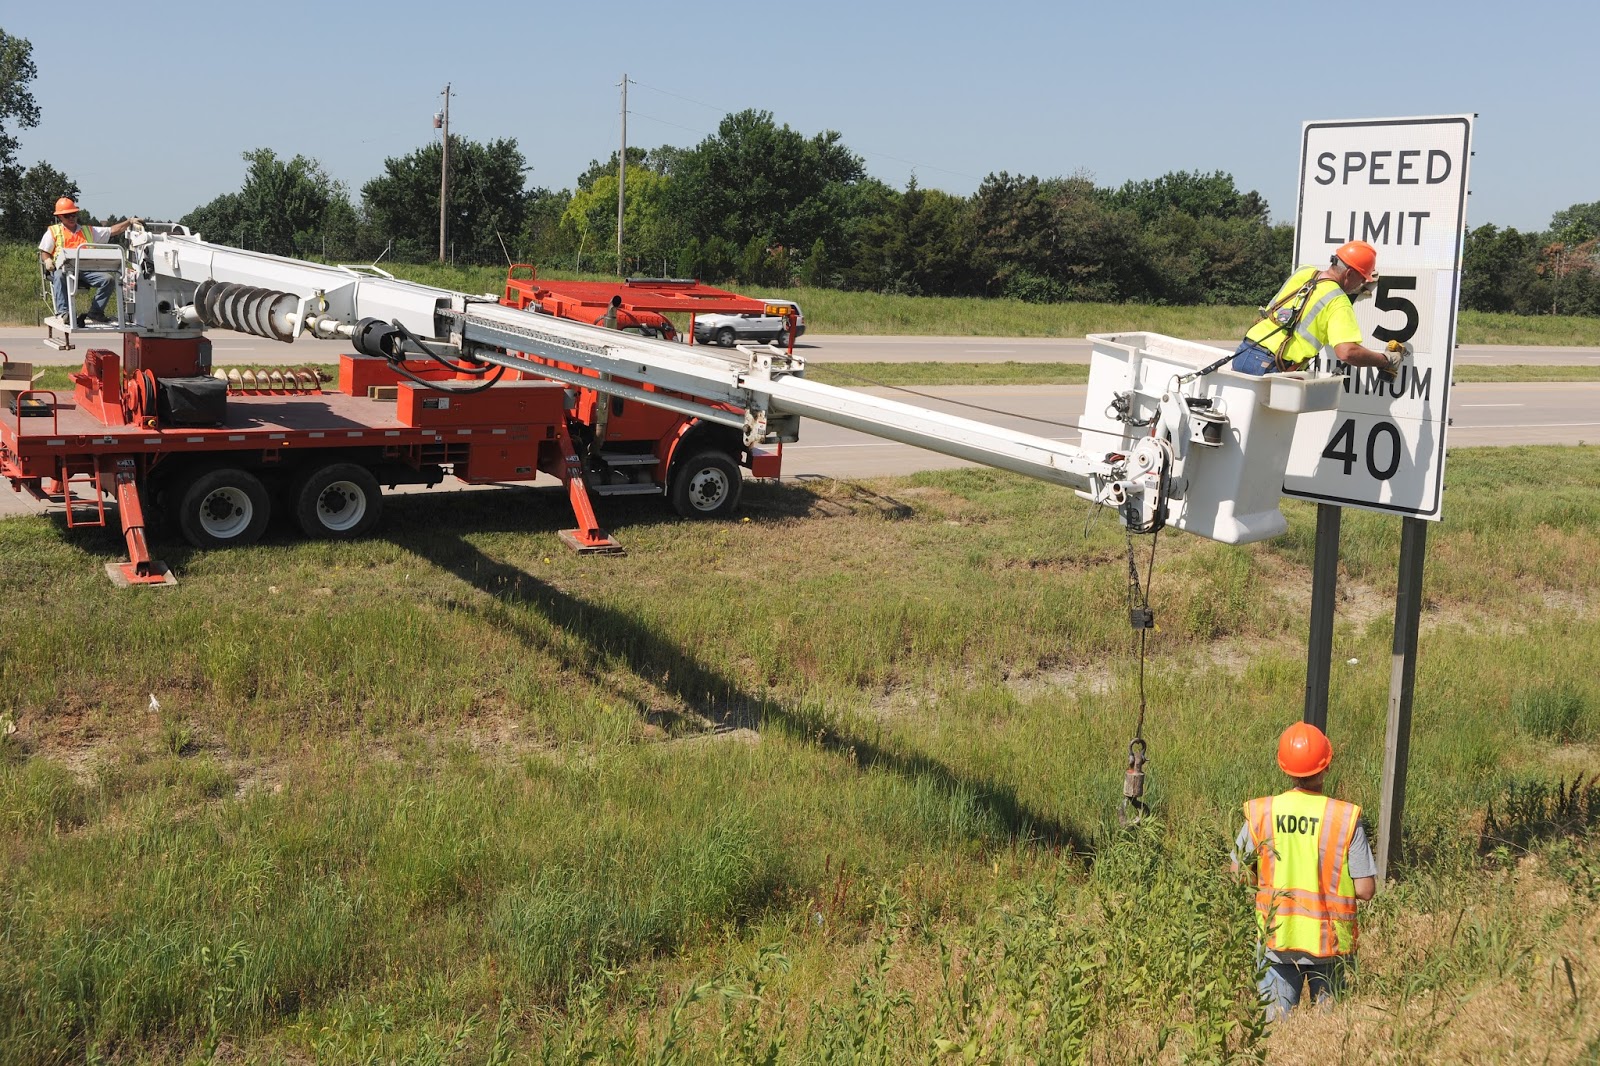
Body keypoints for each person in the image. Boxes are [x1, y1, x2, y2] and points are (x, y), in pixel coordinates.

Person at [1233, 722, 1377, 1021]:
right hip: (1330, 943)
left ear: (1284, 767)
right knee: (1332, 1034)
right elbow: (1365, 890)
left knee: (1274, 1034)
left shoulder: (1262, 813)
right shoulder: (1345, 817)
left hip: (1277, 940)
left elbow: (1237, 875)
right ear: (1327, 765)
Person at [1231, 240, 1406, 378]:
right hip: (1271, 367)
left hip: (1244, 351)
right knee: (1271, 424)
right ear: (1349, 274)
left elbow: (1313, 296)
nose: (1363, 283)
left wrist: (1352, 288)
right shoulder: (1339, 302)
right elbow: (1347, 352)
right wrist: (1385, 361)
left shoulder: (1303, 272)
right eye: (1362, 279)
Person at [38, 197, 139, 325]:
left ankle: (95, 312)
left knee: (108, 280)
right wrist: (47, 260)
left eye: (73, 214)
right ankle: (64, 313)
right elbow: (45, 252)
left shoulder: (88, 231)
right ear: (60, 217)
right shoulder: (53, 231)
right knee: (58, 276)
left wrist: (129, 222)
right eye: (67, 215)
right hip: (64, 270)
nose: (71, 217)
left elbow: (112, 230)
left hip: (86, 270)